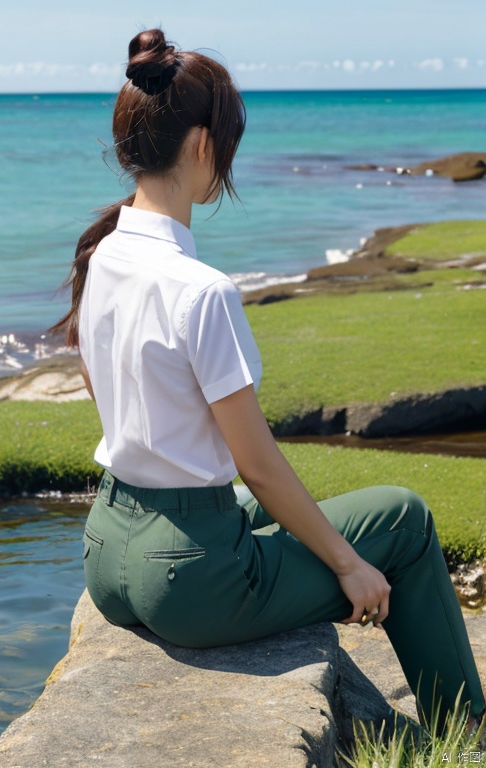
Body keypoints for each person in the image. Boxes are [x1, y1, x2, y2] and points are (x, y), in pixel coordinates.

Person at [53, 28, 484, 734]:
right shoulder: (202, 290)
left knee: (249, 508)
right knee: (402, 517)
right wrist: (350, 567)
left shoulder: (101, 257)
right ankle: (466, 731)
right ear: (201, 146)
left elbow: (115, 409)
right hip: (191, 583)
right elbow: (258, 462)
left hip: (108, 553)